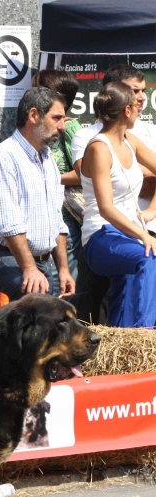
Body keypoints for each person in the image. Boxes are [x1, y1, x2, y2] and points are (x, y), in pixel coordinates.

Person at [72, 64, 156, 324]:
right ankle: (144, 339)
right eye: (136, 100)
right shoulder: (98, 147)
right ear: (126, 110)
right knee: (147, 257)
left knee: (126, 289)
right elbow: (106, 208)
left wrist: (150, 213)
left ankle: (125, 344)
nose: (142, 103)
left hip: (127, 233)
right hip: (101, 234)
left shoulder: (130, 140)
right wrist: (143, 234)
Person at [0, 87, 75, 301]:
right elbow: (8, 221)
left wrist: (64, 270)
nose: (62, 126)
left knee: (59, 313)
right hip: (4, 256)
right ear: (33, 115)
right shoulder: (3, 157)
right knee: (39, 303)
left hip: (43, 260)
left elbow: (57, 222)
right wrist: (29, 268)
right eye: (57, 118)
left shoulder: (48, 160)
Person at [31, 69, 82, 290]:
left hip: (65, 218)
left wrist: (46, 178)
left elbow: (83, 173)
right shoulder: (37, 129)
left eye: (37, 87)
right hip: (41, 217)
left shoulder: (69, 128)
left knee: (65, 280)